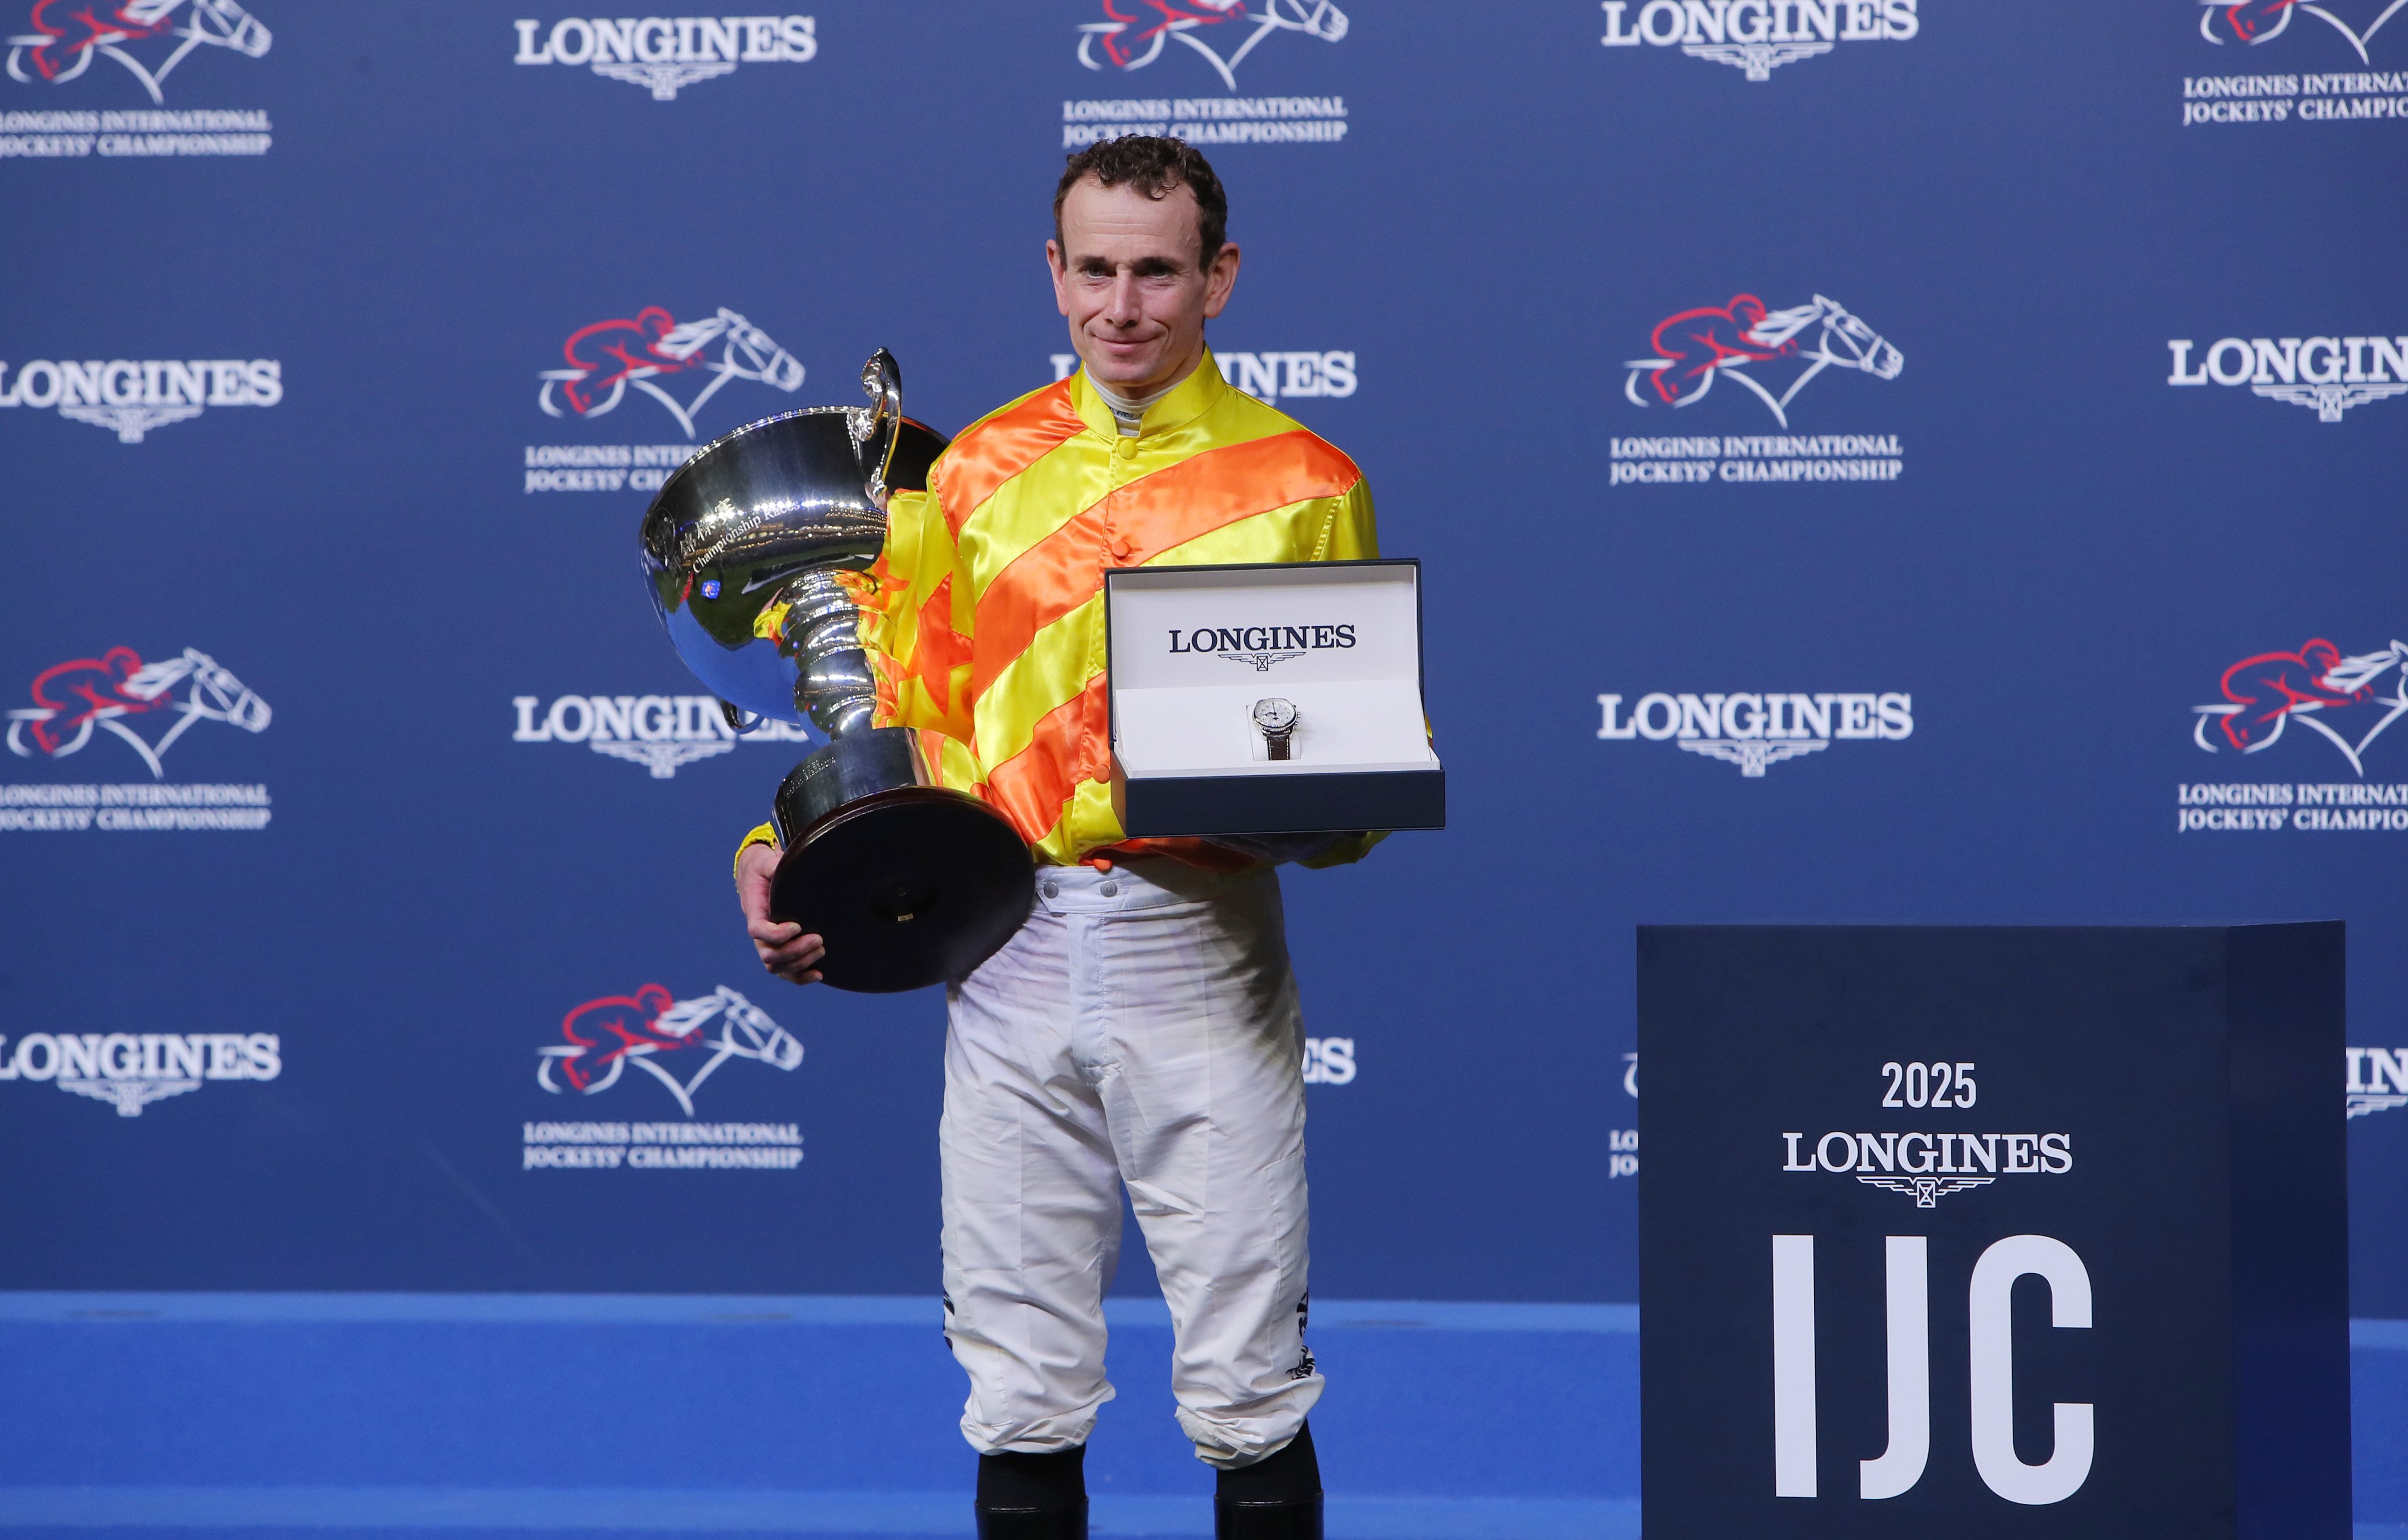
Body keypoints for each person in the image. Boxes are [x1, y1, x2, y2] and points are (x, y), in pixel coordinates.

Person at [734, 136, 1380, 1540]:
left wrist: (1335, 803)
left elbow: (1345, 776)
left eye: (1155, 272)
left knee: (1249, 1382)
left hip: (1198, 950)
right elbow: (904, 708)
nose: (1120, 306)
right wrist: (776, 839)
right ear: (1053, 271)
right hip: (1006, 946)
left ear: (1217, 276)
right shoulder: (969, 472)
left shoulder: (1305, 481)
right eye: (1093, 270)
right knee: (1018, 1381)